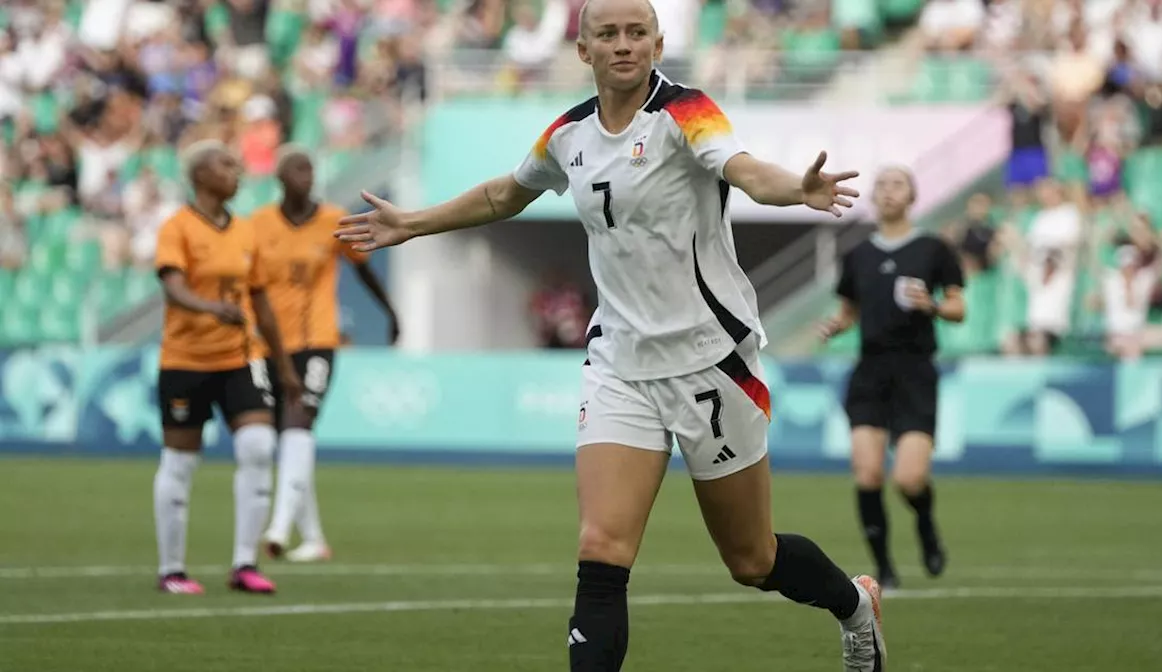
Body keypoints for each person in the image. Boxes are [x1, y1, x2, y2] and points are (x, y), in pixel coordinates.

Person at [334, 0, 887, 668]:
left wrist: (794, 190)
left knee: (752, 558)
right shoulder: (567, 135)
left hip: (712, 364)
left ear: (656, 43)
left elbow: (744, 169)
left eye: (636, 34)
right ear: (582, 50)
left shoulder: (688, 113)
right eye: (607, 34)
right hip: (619, 362)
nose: (624, 45)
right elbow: (505, 196)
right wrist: (413, 223)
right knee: (601, 546)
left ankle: (855, 607)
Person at [152, 140, 302, 595]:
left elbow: (261, 301)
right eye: (225, 164)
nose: (236, 170)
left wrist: (285, 366)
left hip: (240, 357)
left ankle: (244, 564)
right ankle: (172, 570)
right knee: (180, 461)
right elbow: (173, 287)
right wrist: (210, 308)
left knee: (258, 446)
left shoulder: (245, 232)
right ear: (200, 176)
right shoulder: (177, 228)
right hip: (185, 361)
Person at [819, 166, 966, 590]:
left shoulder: (933, 248)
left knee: (909, 478)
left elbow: (959, 308)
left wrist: (933, 307)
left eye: (896, 184)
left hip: (915, 371)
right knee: (867, 474)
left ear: (913, 196)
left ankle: (925, 523)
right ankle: (883, 568)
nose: (887, 192)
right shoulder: (858, 254)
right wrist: (837, 326)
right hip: (870, 370)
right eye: (880, 185)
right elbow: (849, 311)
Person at [254, 147, 400, 563]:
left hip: (318, 341)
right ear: (280, 177)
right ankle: (314, 538)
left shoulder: (332, 220)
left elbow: (364, 268)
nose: (307, 175)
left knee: (299, 420)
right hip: (270, 344)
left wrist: (390, 312)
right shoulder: (259, 225)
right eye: (298, 168)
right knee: (287, 437)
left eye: (310, 168)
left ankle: (279, 527)